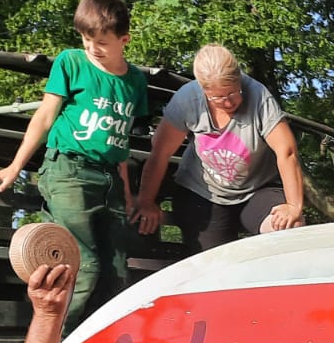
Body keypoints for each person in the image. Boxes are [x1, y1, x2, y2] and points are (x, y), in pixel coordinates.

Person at [0, 0, 147, 332]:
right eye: (87, 40)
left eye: (101, 42)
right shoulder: (71, 62)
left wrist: (128, 192)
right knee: (82, 266)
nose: (92, 48)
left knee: (117, 272)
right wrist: (15, 167)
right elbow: (44, 117)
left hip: (111, 182)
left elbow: (121, 142)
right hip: (70, 171)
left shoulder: (135, 82)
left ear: (124, 40)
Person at [130, 44, 305, 253]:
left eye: (233, 93)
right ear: (202, 90)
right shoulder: (188, 99)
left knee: (290, 227)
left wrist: (294, 206)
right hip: (203, 193)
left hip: (257, 189)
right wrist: (146, 201)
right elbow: (160, 154)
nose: (228, 102)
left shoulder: (259, 96)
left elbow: (287, 151)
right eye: (218, 97)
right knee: (213, 261)